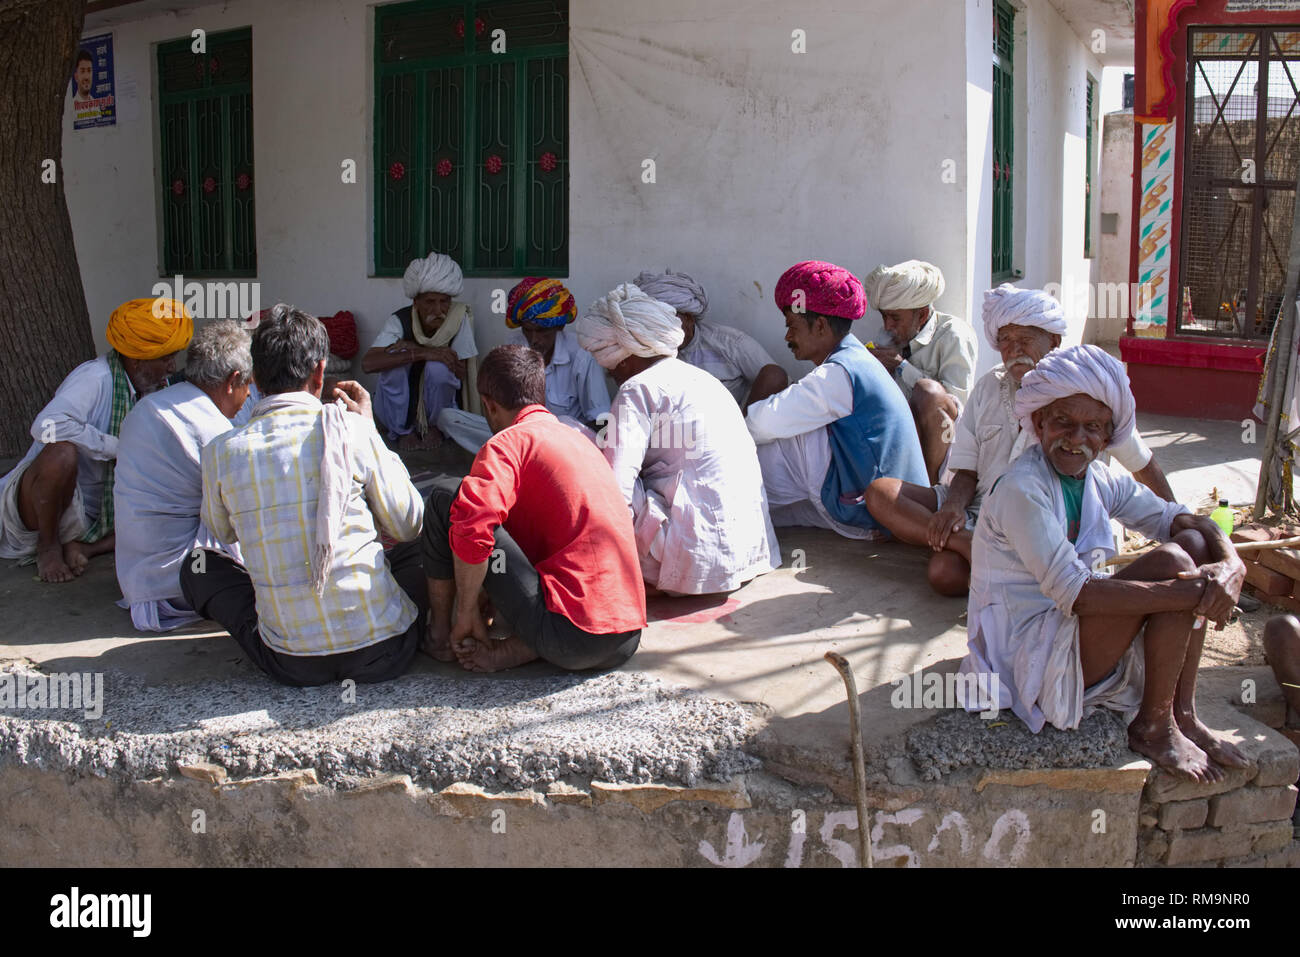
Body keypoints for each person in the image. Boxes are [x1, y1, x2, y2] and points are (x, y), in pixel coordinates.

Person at [961, 344, 1249, 781]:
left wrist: (1231, 566)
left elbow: (1177, 518)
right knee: (1176, 565)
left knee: (1191, 543)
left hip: (1070, 633)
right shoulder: (1022, 488)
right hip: (1026, 653)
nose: (1076, 439)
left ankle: (1181, 715)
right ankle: (1153, 727)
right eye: (1063, 423)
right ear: (1038, 424)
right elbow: (1076, 595)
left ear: (1108, 434)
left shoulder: (1096, 477)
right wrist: (1194, 592)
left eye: (1092, 427)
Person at [865, 285, 1177, 596]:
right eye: (1005, 341)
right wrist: (952, 507)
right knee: (881, 492)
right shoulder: (989, 387)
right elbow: (967, 468)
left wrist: (1174, 526)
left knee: (945, 573)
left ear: (1053, 341)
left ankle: (982, 557)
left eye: (1025, 340)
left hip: (1043, 522)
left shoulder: (1082, 391)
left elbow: (1142, 464)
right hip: (979, 507)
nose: (1014, 351)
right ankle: (964, 543)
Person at [182, 305, 427, 686]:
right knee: (424, 546)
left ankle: (296, 620)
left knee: (199, 566)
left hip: (292, 663)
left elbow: (222, 532)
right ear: (320, 372)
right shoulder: (353, 430)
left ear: (256, 378)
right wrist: (371, 430)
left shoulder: (222, 451)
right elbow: (409, 524)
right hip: (384, 652)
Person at [421, 344, 645, 674]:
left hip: (572, 634)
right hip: (625, 636)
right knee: (501, 517)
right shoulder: (576, 438)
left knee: (446, 498)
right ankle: (521, 648)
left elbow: (473, 526)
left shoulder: (507, 443)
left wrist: (466, 610)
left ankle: (441, 635)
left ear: (488, 405)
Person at [576, 283, 779, 595]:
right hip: (746, 553)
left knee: (578, 443)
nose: (608, 374)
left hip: (692, 560)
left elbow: (616, 491)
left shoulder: (637, 389)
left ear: (626, 356)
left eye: (608, 363)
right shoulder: (702, 379)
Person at [0, 297, 192, 582]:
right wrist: (111, 446)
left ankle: (84, 548)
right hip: (43, 505)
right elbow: (45, 426)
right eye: (165, 359)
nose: (171, 367)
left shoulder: (152, 390)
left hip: (96, 513)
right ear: (137, 358)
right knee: (61, 453)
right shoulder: (96, 377)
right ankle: (48, 546)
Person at [745, 261, 928, 540]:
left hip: (879, 511)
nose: (787, 337)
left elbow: (760, 424)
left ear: (819, 325)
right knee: (760, 508)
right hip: (870, 500)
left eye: (792, 326)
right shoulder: (853, 360)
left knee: (787, 441)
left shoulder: (840, 373)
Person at [113, 320, 252, 632]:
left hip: (137, 579)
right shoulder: (213, 433)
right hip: (179, 588)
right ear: (232, 381)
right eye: (248, 386)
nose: (247, 397)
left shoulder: (149, 406)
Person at [439, 277, 608, 454]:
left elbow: (601, 419)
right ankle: (517, 453)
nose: (534, 339)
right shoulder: (515, 346)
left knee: (564, 421)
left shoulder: (582, 355)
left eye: (542, 331)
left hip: (562, 442)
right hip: (521, 436)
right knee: (449, 418)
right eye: (528, 330)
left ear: (559, 327)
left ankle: (512, 455)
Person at [862, 260, 977, 482]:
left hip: (946, 444)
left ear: (922, 315)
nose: (887, 326)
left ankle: (930, 486)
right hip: (902, 438)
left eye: (895, 318)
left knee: (928, 392)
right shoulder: (890, 335)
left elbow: (957, 403)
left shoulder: (954, 335)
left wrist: (902, 367)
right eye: (884, 316)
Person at [361, 251, 479, 449]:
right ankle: (401, 431)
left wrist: (439, 359)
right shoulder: (400, 320)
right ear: (416, 302)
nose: (438, 310)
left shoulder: (458, 318)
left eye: (444, 302)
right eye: (430, 302)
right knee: (394, 362)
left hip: (441, 408)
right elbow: (368, 364)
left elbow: (462, 373)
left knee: (438, 368)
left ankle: (437, 428)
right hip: (395, 410)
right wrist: (422, 353)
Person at [632, 269, 787, 408]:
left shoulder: (730, 343)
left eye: (669, 321)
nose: (661, 329)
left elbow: (777, 381)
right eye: (656, 323)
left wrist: (747, 427)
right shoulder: (644, 350)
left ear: (688, 318)